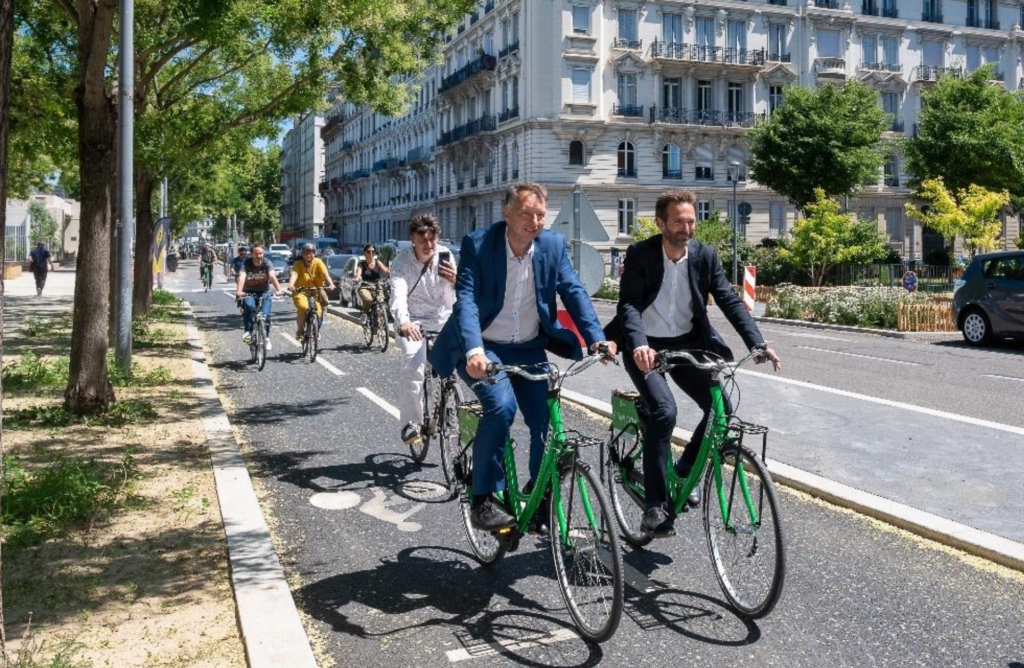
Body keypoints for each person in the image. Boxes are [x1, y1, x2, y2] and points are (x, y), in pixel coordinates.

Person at [431, 183, 617, 532]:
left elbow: (573, 291)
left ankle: (539, 491)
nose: (534, 222)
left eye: (540, 215)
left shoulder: (552, 246)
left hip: (529, 346)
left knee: (547, 419)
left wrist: (596, 339)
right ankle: (484, 497)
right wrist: (472, 350)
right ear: (506, 214)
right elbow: (467, 299)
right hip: (483, 345)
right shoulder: (480, 243)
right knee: (501, 408)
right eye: (525, 214)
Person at [605, 189, 782, 539]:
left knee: (723, 411)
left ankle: (684, 469)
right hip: (646, 346)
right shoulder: (641, 254)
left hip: (687, 343)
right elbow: (628, 306)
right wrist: (638, 345)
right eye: (678, 221)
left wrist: (757, 343)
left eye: (690, 220)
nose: (686, 228)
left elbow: (730, 300)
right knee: (664, 411)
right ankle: (655, 507)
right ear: (661, 223)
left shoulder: (704, 255)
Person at [389, 214, 457, 446]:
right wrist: (404, 322)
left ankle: (452, 403)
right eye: (423, 240)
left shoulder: (446, 256)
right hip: (414, 322)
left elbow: (455, 296)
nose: (429, 244)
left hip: (443, 319)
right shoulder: (401, 261)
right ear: (412, 240)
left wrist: (456, 280)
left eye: (432, 239)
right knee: (413, 364)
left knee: (463, 362)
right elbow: (397, 294)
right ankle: (412, 424)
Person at [235, 244, 283, 350]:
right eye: (256, 254)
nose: (259, 256)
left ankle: (266, 338)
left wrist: (279, 290)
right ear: (251, 254)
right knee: (249, 307)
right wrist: (239, 291)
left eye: (261, 253)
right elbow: (242, 277)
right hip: (249, 292)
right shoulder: (246, 263)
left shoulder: (267, 263)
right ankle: (248, 331)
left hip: (264, 292)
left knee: (265, 315)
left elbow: (272, 276)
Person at [288, 243, 335, 340]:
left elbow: (325, 274)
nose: (308, 255)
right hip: (301, 291)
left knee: (318, 311)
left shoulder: (318, 262)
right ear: (302, 254)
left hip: (316, 291)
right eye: (306, 253)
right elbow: (294, 275)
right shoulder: (299, 264)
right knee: (303, 307)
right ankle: (300, 331)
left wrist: (331, 284)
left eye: (311, 253)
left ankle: (316, 329)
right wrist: (291, 285)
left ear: (315, 253)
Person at [354, 243, 390, 319]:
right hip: (365, 286)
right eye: (368, 251)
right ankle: (364, 313)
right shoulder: (361, 264)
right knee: (368, 299)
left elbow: (385, 270)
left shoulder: (378, 262)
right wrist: (357, 278)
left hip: (377, 286)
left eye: (373, 252)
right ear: (364, 253)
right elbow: (358, 273)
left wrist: (392, 273)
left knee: (381, 302)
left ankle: (380, 322)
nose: (371, 253)